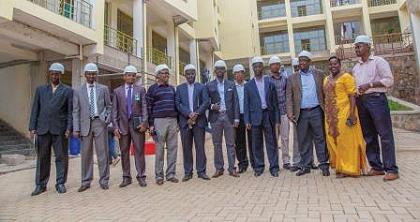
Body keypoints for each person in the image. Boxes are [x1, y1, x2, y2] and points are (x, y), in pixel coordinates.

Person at [352, 35, 399, 181]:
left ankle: (391, 169)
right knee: (369, 136)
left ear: (368, 46)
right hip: (362, 102)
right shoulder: (356, 67)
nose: (356, 49)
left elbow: (389, 80)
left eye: (359, 46)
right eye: (355, 47)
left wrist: (370, 85)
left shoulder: (379, 61)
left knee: (385, 135)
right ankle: (376, 167)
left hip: (377, 100)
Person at [29, 63, 72, 196]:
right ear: (49, 74)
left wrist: (69, 128)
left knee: (61, 157)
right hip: (42, 129)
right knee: (42, 158)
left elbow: (70, 112)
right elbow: (35, 108)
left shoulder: (67, 90)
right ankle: (40, 185)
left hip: (59, 130)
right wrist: (32, 127)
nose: (54, 76)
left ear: (61, 74)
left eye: (57, 73)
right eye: (52, 73)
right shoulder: (40, 90)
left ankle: (60, 183)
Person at [286, 50, 330, 177]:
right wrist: (290, 113)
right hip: (301, 114)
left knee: (320, 139)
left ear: (310, 62)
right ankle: (305, 166)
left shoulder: (319, 74)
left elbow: (325, 92)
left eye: (304, 60)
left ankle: (324, 165)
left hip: (317, 111)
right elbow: (288, 97)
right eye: (300, 61)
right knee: (303, 140)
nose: (302, 63)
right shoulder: (292, 78)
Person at [324, 56, 367, 178]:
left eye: (335, 64)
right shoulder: (326, 79)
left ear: (339, 64)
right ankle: (339, 166)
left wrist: (352, 114)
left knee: (345, 142)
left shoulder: (346, 77)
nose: (333, 66)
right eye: (330, 64)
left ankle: (348, 168)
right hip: (330, 116)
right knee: (333, 141)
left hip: (345, 113)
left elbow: (352, 96)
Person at [73, 63, 112, 192]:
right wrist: (76, 128)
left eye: (93, 73)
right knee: (86, 154)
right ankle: (86, 181)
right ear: (85, 75)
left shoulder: (104, 89)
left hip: (99, 123)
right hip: (85, 124)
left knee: (103, 153)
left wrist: (107, 118)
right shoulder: (78, 91)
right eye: (89, 74)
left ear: (96, 75)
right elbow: (76, 111)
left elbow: (109, 106)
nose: (91, 76)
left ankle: (104, 180)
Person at [112, 65, 148, 187]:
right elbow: (114, 111)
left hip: (138, 126)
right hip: (122, 127)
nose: (131, 77)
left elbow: (144, 107)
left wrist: (144, 122)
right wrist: (115, 127)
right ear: (124, 77)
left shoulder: (141, 90)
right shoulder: (117, 91)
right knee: (124, 152)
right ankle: (126, 177)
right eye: (128, 75)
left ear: (135, 77)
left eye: (133, 75)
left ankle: (141, 176)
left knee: (139, 151)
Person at [244, 56, 280, 177]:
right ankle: (259, 167)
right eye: (255, 66)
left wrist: (277, 120)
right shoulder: (248, 85)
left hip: (268, 116)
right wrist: (247, 120)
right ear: (253, 68)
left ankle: (274, 167)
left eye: (260, 66)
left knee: (271, 142)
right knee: (256, 143)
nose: (258, 68)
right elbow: (246, 104)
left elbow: (275, 103)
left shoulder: (270, 82)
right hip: (255, 118)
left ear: (262, 67)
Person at [175, 64, 211, 182]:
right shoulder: (179, 88)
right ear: (185, 75)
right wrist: (188, 114)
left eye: (192, 73)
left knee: (200, 147)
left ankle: (201, 171)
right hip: (185, 122)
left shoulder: (201, 87)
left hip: (199, 121)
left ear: (195, 74)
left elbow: (206, 102)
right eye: (188, 73)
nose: (190, 75)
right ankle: (188, 172)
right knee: (186, 148)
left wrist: (195, 114)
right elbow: (178, 104)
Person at [146, 64, 179, 185]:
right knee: (159, 149)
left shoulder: (172, 88)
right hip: (158, 122)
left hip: (173, 120)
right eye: (163, 73)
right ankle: (159, 176)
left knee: (173, 148)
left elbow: (176, 105)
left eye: (167, 73)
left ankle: (171, 174)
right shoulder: (152, 89)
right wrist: (150, 124)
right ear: (157, 75)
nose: (166, 75)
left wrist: (178, 123)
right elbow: (148, 107)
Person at [207, 60, 240, 178]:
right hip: (215, 118)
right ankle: (219, 169)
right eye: (218, 69)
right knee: (217, 144)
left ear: (225, 71)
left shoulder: (231, 84)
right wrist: (211, 106)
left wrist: (236, 118)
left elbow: (236, 102)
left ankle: (232, 168)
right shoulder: (209, 85)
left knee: (231, 144)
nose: (220, 71)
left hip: (229, 117)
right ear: (215, 71)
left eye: (222, 69)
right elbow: (206, 102)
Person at [268, 56, 299, 171]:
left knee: (285, 138)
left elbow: (289, 95)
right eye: (273, 64)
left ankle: (286, 161)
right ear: (270, 66)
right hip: (273, 115)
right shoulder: (268, 80)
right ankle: (274, 162)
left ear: (280, 65)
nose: (276, 66)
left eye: (277, 64)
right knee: (274, 139)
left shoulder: (285, 78)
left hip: (284, 112)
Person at [233, 64, 254, 173]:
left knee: (252, 140)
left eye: (241, 72)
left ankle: (254, 162)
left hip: (248, 116)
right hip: (237, 118)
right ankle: (242, 163)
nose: (239, 75)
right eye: (236, 73)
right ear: (234, 75)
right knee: (239, 141)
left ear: (244, 73)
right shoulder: (231, 87)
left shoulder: (249, 85)